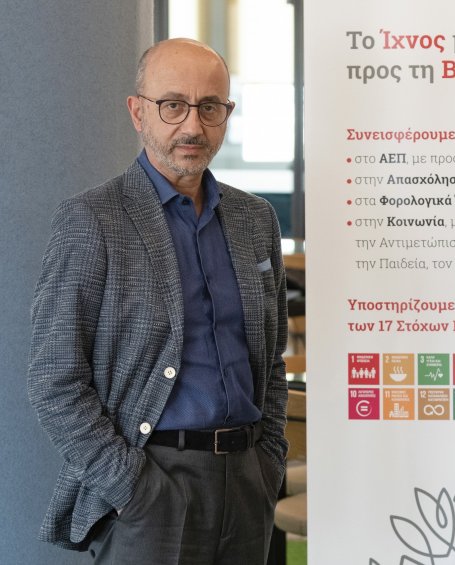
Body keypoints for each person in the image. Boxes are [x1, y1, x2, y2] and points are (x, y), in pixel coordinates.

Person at [28, 38, 288, 564]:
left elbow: (272, 360)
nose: (193, 125)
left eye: (210, 107)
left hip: (247, 482)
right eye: (172, 105)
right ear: (137, 112)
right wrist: (130, 486)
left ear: (227, 113)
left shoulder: (255, 219)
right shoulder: (92, 220)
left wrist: (269, 457)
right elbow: (54, 378)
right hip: (152, 486)